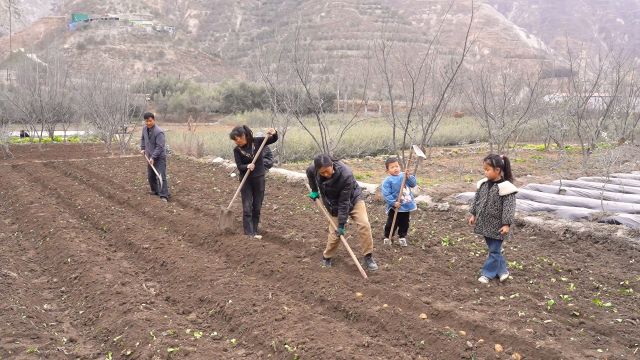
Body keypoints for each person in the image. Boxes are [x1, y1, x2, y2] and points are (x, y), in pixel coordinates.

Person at [306, 154, 378, 271]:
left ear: (332, 165)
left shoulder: (346, 175)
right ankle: (327, 257)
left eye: (327, 171)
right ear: (317, 169)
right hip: (332, 203)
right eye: (322, 173)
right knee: (335, 234)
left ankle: (368, 256)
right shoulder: (313, 169)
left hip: (353, 198)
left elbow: (344, 202)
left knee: (364, 224)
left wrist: (341, 224)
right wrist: (314, 190)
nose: (326, 175)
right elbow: (309, 174)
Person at [468, 154, 517, 284]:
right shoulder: (483, 184)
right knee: (494, 249)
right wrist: (473, 214)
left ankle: (487, 274)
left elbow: (509, 207)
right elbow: (476, 200)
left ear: (498, 170)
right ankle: (502, 271)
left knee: (494, 250)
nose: (485, 172)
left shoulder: (507, 188)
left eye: (487, 170)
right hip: (484, 223)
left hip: (498, 226)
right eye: (484, 169)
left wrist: (506, 224)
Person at [229, 125, 278, 239]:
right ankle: (248, 233)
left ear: (243, 136)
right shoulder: (237, 150)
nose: (236, 142)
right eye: (234, 140)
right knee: (247, 207)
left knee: (257, 206)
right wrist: (247, 166)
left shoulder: (257, 142)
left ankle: (254, 230)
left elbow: (273, 139)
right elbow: (239, 166)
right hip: (246, 181)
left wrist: (274, 132)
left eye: (237, 139)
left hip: (259, 179)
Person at [381, 157, 417, 247]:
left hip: (406, 205)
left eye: (397, 166)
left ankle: (402, 237)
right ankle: (388, 237)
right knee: (391, 222)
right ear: (387, 170)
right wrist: (393, 202)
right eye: (392, 167)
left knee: (405, 223)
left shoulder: (404, 176)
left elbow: (413, 184)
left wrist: (409, 176)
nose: (395, 168)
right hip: (395, 207)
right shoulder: (387, 181)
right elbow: (386, 194)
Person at [140, 112, 170, 202]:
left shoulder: (159, 132)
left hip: (159, 157)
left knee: (161, 176)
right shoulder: (144, 129)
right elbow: (143, 139)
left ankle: (164, 195)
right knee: (151, 176)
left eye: (150, 121)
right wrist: (143, 148)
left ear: (153, 120)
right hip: (149, 156)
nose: (148, 123)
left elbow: (160, 147)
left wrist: (153, 157)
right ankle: (155, 190)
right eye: (146, 121)